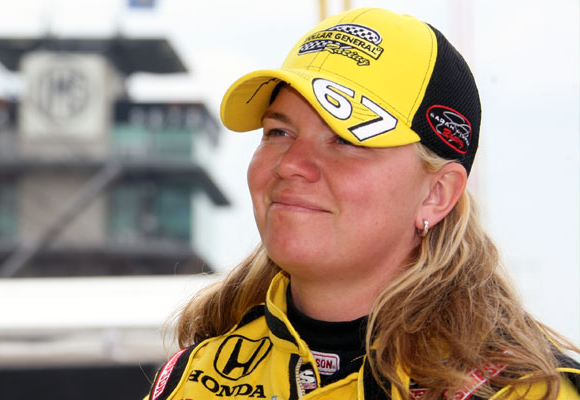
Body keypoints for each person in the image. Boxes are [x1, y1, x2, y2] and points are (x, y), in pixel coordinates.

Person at [144, 7, 580, 400]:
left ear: (436, 194)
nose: (292, 164)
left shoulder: (518, 391)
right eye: (279, 132)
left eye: (346, 139)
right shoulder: (194, 378)